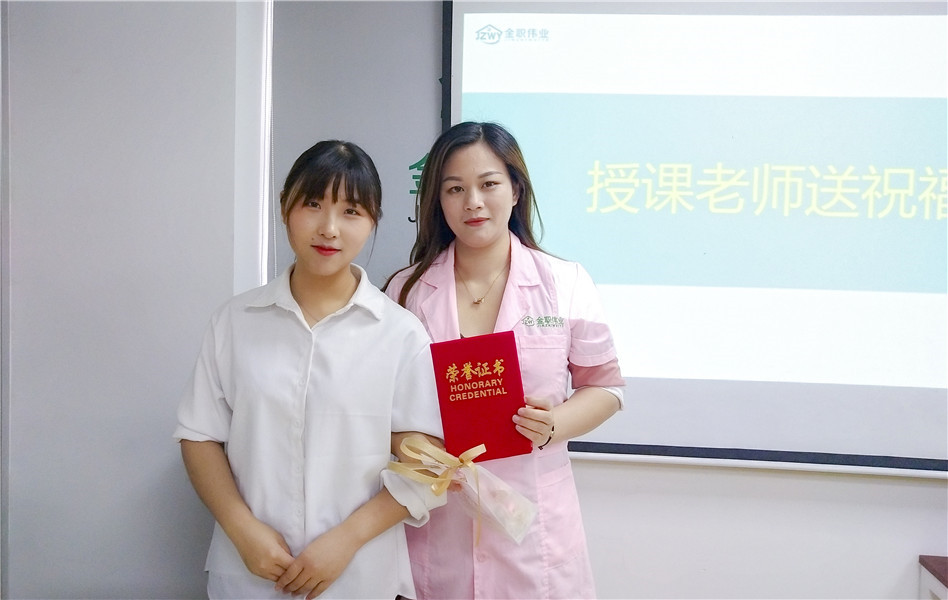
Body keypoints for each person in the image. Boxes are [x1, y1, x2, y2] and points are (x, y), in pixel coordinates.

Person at [174, 140, 445, 600]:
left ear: (373, 222)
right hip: (250, 571)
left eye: (351, 211)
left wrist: (347, 540)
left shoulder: (401, 334)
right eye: (313, 204)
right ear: (285, 207)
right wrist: (241, 528)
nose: (329, 228)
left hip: (358, 574)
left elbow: (430, 464)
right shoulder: (235, 321)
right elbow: (199, 435)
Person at [383, 121, 625, 599]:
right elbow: (380, 403)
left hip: (533, 528)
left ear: (515, 190)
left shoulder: (565, 282)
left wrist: (553, 424)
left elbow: (606, 386)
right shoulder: (405, 291)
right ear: (438, 201)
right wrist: (409, 443)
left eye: (489, 184)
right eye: (455, 189)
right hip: (438, 523)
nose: (473, 202)